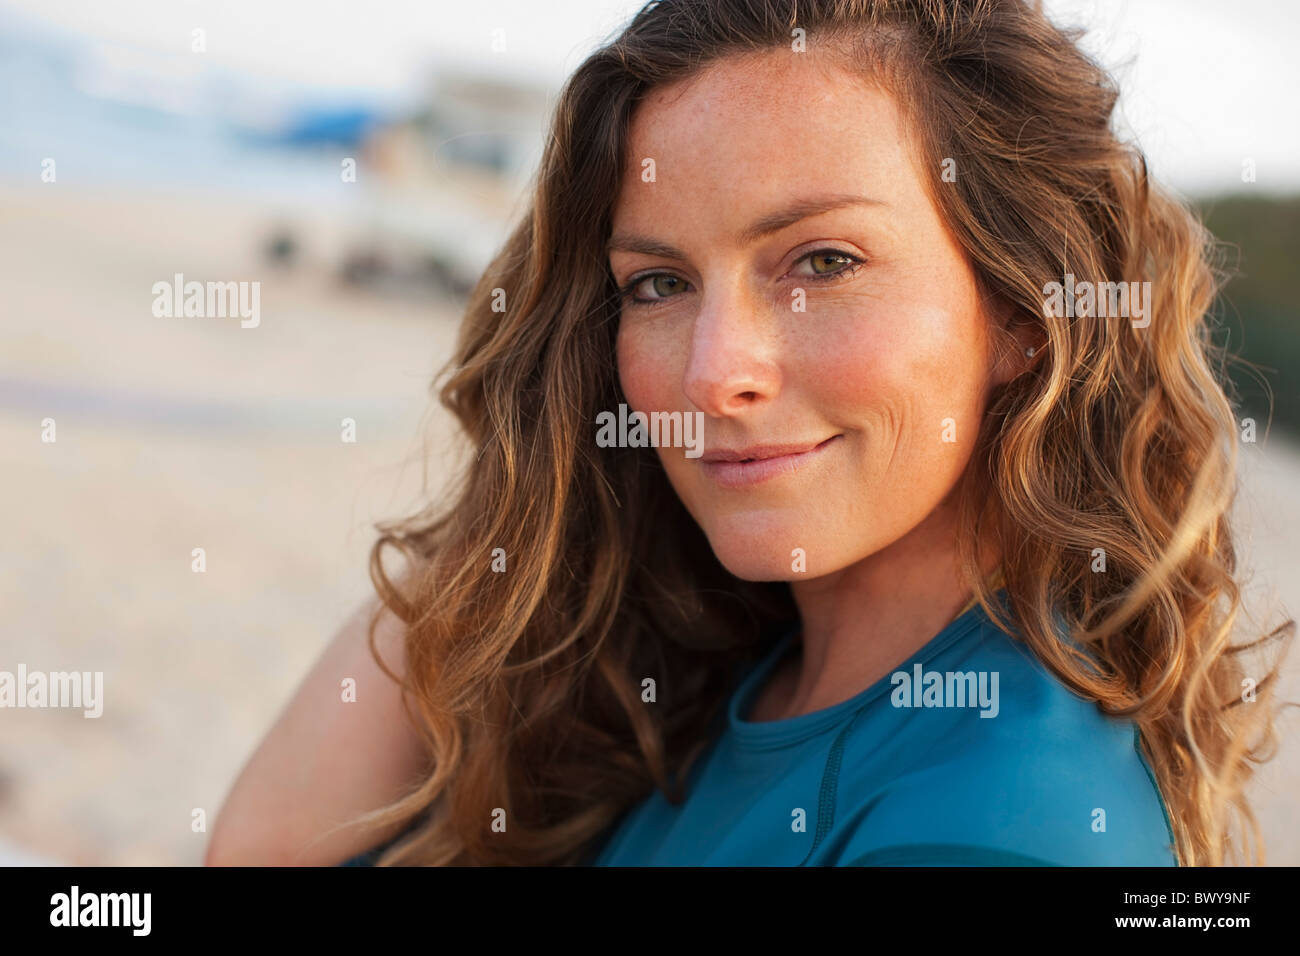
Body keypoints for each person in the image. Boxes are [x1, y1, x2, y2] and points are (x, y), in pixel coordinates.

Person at [205, 0, 1293, 867]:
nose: (711, 370)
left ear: (1021, 311)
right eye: (659, 282)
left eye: (823, 261)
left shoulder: (982, 825)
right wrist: (542, 493)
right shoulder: (735, 665)